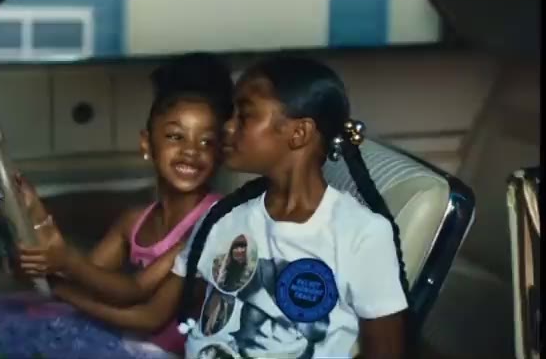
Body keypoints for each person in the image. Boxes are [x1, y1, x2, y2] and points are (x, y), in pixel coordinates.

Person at [64, 54, 409, 359]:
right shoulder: (222, 220)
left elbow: (385, 352)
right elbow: (157, 310)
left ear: (299, 133)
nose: (226, 127)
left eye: (244, 116)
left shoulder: (361, 233)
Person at [0, 52, 234, 359]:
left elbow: (146, 311)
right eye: (175, 136)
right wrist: (36, 216)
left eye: (205, 141)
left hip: (156, 348)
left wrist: (60, 278)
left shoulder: (214, 221)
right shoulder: (134, 220)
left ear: (220, 151)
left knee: (10, 325)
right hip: (128, 336)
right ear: (147, 144)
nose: (190, 151)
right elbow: (90, 275)